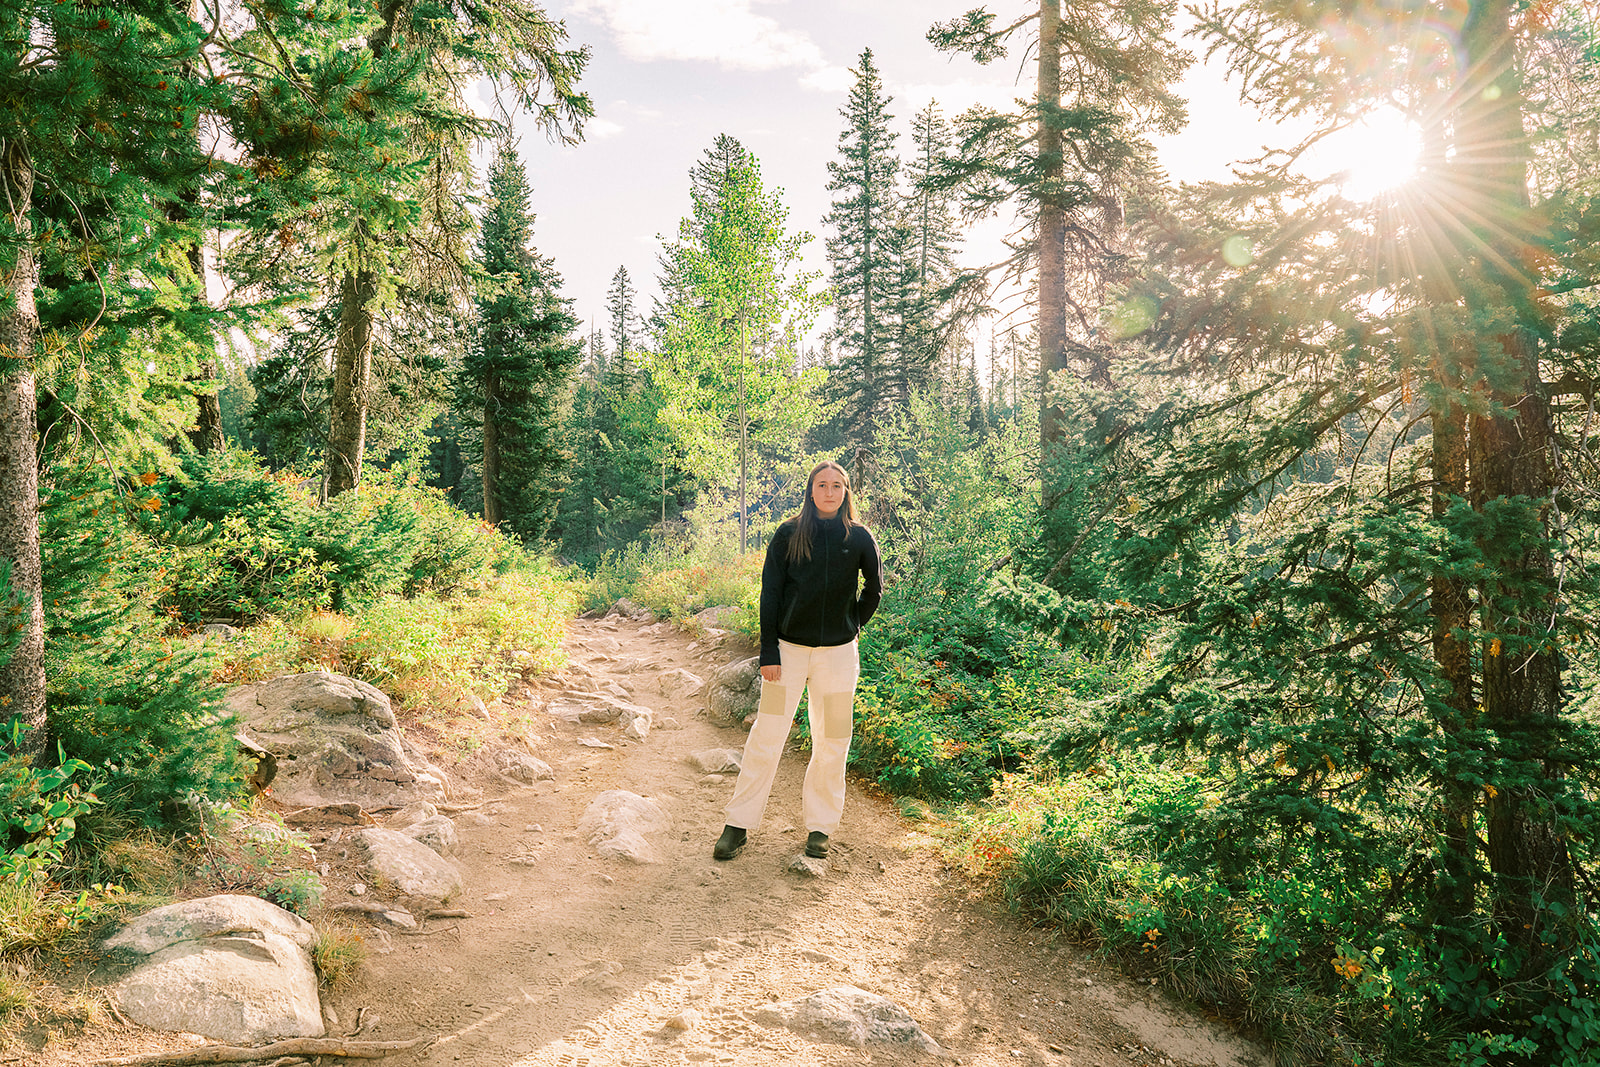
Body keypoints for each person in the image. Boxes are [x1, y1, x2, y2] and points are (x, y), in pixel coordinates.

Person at [713, 460, 883, 862]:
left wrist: (850, 625)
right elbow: (770, 594)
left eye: (837, 486)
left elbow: (874, 590)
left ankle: (820, 828)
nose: (829, 492)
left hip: (839, 659)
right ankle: (738, 824)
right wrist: (769, 652)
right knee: (767, 735)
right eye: (822, 485)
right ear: (810, 491)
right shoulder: (789, 534)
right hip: (787, 656)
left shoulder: (859, 537)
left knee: (834, 738)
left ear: (846, 492)